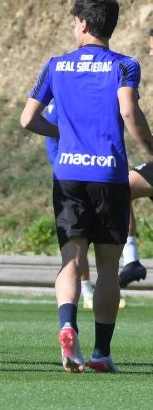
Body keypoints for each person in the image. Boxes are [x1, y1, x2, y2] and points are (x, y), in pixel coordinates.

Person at [20, 0, 153, 373]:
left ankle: (67, 325)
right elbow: (128, 111)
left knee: (71, 259)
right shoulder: (125, 65)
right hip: (109, 174)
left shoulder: (56, 65)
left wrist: (62, 133)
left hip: (68, 174)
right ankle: (102, 354)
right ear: (109, 25)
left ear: (82, 23)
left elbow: (28, 120)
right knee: (108, 265)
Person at [45, 101, 130, 309]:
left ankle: (68, 321)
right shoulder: (66, 95)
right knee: (103, 259)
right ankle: (87, 291)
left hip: (70, 174)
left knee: (75, 251)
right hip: (96, 173)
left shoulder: (67, 87)